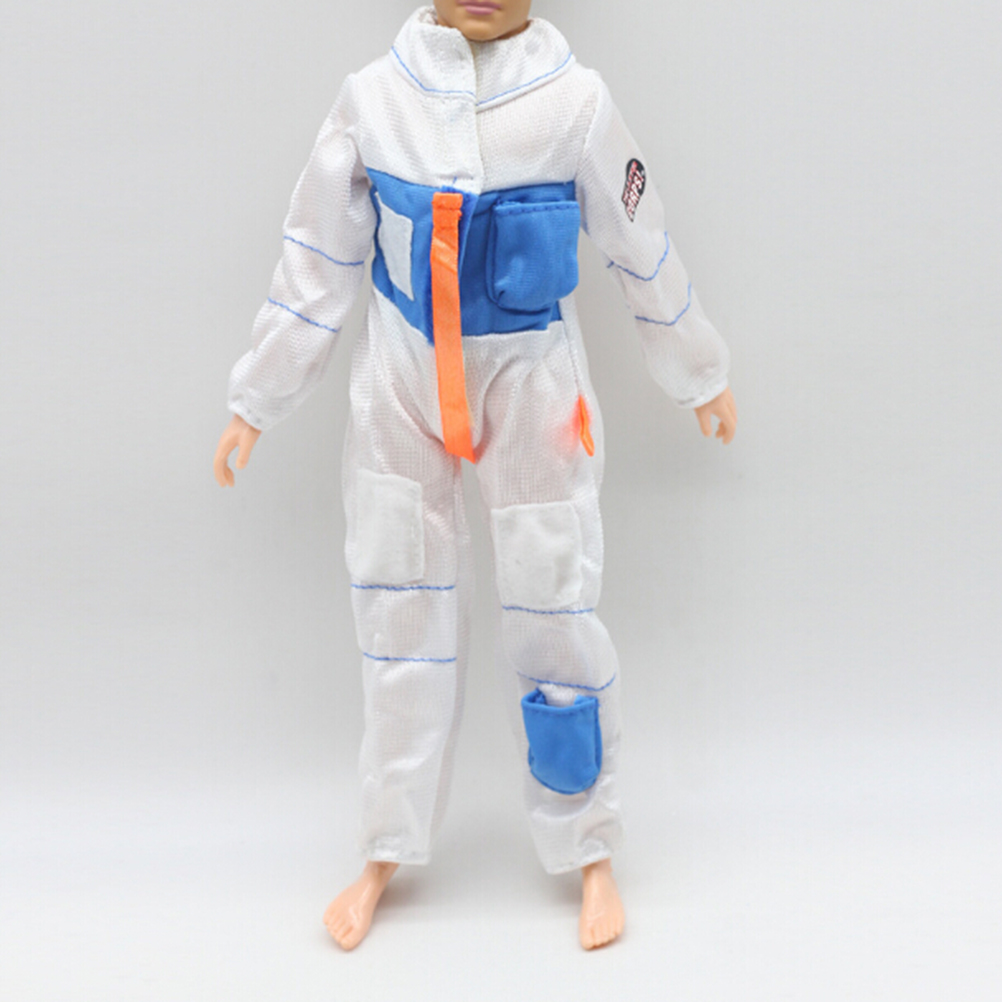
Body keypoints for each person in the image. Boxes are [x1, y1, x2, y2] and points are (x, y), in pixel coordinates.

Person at [214, 0, 736, 951]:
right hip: (399, 386)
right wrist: (258, 396)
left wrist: (696, 368)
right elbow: (317, 261)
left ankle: (587, 843)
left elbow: (640, 241)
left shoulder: (574, 103)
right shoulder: (374, 99)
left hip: (532, 386)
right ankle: (385, 843)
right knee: (397, 616)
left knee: (555, 606)